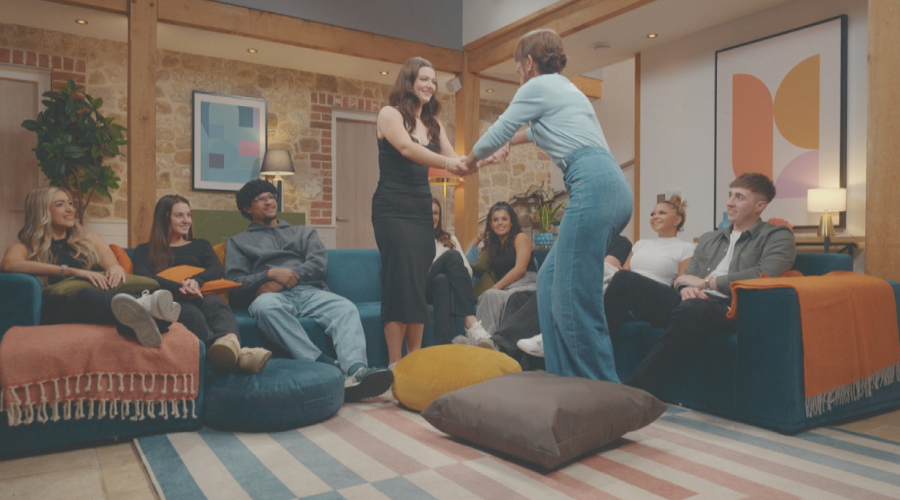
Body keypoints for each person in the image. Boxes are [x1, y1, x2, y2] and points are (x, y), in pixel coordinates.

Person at [461, 29, 633, 382]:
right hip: (612, 187)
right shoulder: (564, 91)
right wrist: (507, 144)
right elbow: (520, 134)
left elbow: (500, 128)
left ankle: (601, 390)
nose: (517, 75)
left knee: (576, 297)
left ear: (528, 62)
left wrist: (469, 161)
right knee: (551, 280)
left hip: (592, 184)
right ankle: (562, 378)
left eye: (517, 67)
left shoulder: (538, 86)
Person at [619, 173, 795, 393]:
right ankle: (587, 366)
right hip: (691, 301)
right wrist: (685, 289)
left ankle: (635, 388)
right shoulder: (709, 238)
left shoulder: (777, 236)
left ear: (760, 205)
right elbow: (685, 277)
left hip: (728, 307)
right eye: (730, 195)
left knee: (691, 309)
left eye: (739, 197)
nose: (730, 202)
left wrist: (707, 283)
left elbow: (765, 272)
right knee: (624, 280)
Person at [225, 179, 393, 402]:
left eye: (271, 197)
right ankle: (322, 364)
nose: (268, 202)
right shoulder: (238, 242)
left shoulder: (303, 233)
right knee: (265, 308)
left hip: (309, 291)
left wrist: (283, 279)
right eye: (260, 199)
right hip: (270, 298)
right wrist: (268, 275)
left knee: (345, 307)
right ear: (248, 208)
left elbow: (317, 265)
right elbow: (235, 283)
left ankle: (356, 370)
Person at [373, 56, 480, 366]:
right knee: (399, 283)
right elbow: (407, 149)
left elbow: (456, 159)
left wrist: (482, 157)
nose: (430, 85)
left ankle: (415, 360)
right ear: (409, 81)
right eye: (424, 79)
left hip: (421, 208)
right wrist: (449, 164)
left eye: (433, 81)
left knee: (418, 284)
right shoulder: (389, 114)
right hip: (392, 208)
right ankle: (395, 365)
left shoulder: (433, 124)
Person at [0, 186, 177, 347]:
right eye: (60, 205)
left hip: (101, 301)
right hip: (61, 309)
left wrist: (115, 270)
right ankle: (143, 308)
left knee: (152, 311)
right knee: (86, 295)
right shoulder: (24, 247)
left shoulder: (90, 240)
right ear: (42, 211)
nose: (70, 209)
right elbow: (9, 265)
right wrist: (70, 271)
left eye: (70, 203)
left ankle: (137, 322)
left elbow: (114, 267)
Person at [133, 194, 270, 373]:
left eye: (189, 215)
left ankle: (232, 346)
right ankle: (237, 357)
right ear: (164, 217)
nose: (186, 221)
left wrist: (196, 281)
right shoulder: (145, 250)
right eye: (179, 215)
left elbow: (216, 269)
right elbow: (143, 276)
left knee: (218, 305)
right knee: (191, 314)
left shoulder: (200, 245)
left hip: (200, 293)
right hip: (171, 300)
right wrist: (180, 288)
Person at [514, 234, 633, 360]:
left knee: (556, 293)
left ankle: (547, 338)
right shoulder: (584, 240)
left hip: (593, 287)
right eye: (652, 213)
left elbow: (602, 269)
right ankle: (502, 342)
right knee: (518, 298)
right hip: (572, 282)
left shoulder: (619, 241)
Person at [604, 195, 695, 336]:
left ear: (677, 220)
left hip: (661, 297)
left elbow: (682, 281)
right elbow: (625, 269)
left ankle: (596, 340)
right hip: (632, 293)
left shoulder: (686, 247)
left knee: (623, 278)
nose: (655, 217)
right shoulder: (641, 244)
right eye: (652, 214)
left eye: (662, 213)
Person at [455, 201, 536, 345]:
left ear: (512, 222)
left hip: (526, 284)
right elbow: (466, 255)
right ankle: (485, 341)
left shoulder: (520, 237)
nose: (500, 223)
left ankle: (486, 342)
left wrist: (495, 287)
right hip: (505, 289)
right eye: (495, 220)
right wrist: (481, 235)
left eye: (504, 219)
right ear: (490, 225)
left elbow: (520, 269)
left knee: (490, 293)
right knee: (488, 295)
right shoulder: (493, 247)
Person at [426, 198, 489, 345]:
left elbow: (467, 271)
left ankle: (446, 348)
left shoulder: (450, 239)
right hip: (424, 287)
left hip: (444, 287)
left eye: (436, 213)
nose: (432, 217)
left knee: (442, 280)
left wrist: (450, 273)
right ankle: (469, 319)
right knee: (452, 255)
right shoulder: (415, 240)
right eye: (428, 213)